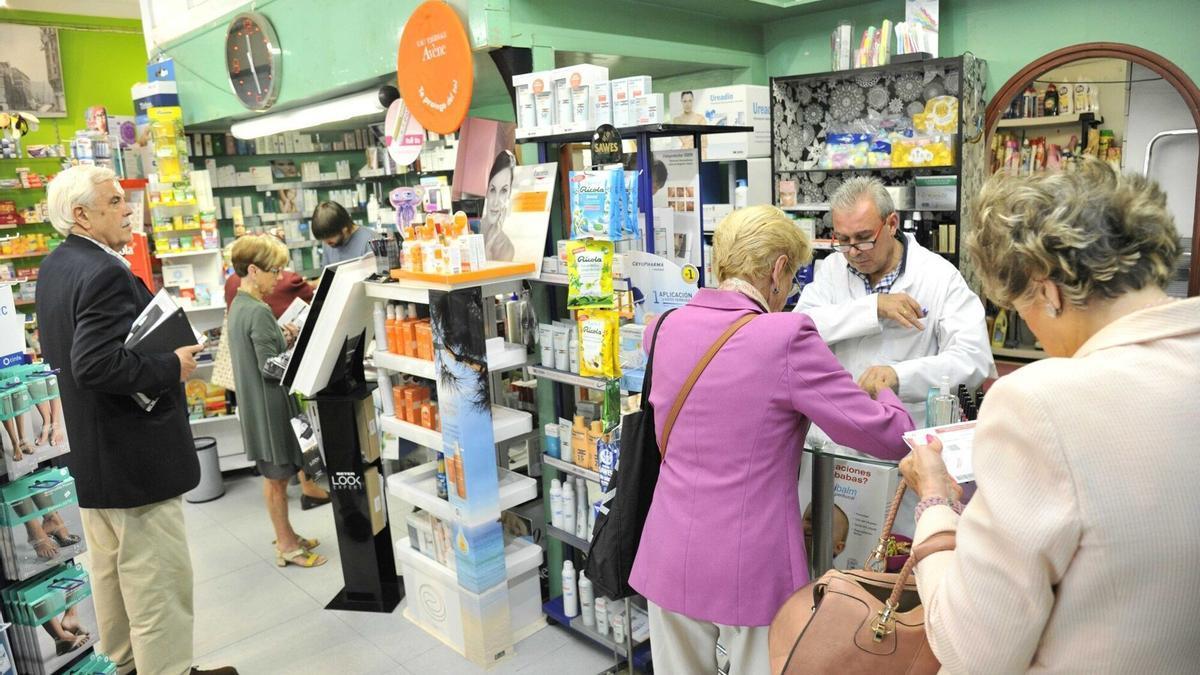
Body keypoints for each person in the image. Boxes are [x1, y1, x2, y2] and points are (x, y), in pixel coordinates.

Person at [899, 160, 1200, 673]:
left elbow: (973, 649)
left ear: (1048, 291)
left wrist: (933, 504)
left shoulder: (1041, 401)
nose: (1035, 333)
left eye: (1021, 309)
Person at [628, 205, 914, 675]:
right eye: (794, 275)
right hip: (750, 564)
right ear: (779, 269)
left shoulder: (662, 329)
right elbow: (884, 435)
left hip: (667, 551)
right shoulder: (784, 336)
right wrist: (887, 388)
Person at [37, 165, 236, 675]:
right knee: (159, 587)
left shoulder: (57, 265)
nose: (128, 210)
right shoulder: (104, 272)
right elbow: (95, 364)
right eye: (114, 202)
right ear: (81, 215)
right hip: (134, 462)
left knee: (112, 580)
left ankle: (124, 667)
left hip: (92, 458)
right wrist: (173, 365)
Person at [795, 177, 994, 436]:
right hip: (838, 436)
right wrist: (873, 307)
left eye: (864, 238)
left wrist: (899, 377)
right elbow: (800, 329)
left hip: (907, 437)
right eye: (843, 240)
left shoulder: (938, 276)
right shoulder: (833, 268)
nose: (853, 251)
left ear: (891, 224)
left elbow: (973, 359)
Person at [226, 236, 327, 568]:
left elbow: (259, 348)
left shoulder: (240, 305)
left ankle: (288, 534)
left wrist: (283, 335)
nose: (279, 277)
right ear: (253, 270)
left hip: (257, 406)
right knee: (278, 479)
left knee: (276, 478)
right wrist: (303, 354)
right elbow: (269, 367)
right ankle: (286, 545)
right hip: (271, 408)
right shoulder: (257, 311)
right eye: (274, 271)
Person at [311, 200, 379, 267]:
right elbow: (329, 274)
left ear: (344, 229)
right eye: (323, 239)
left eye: (329, 239)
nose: (326, 242)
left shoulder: (370, 240)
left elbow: (379, 275)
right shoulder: (328, 241)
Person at [481, 150, 515, 262]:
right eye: (492, 190)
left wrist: (490, 244)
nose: (496, 202)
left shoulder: (507, 248)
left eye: (504, 191)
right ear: (486, 191)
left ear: (510, 193)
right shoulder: (473, 231)